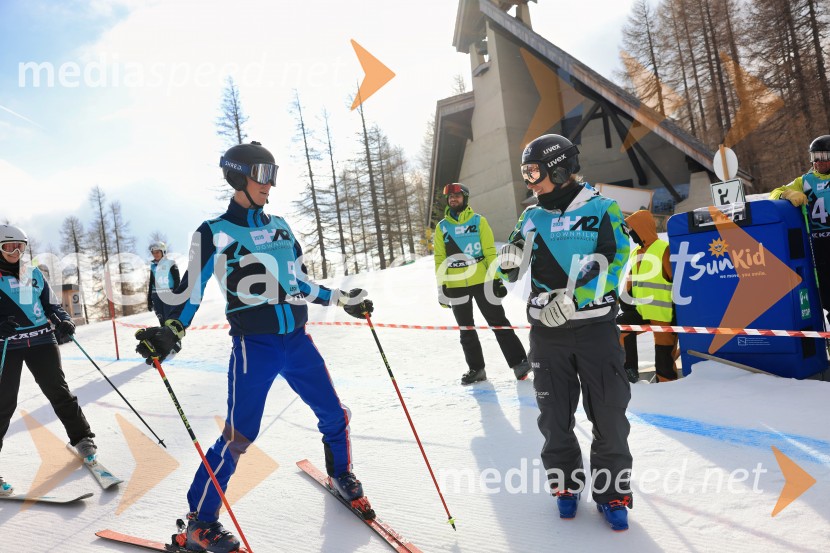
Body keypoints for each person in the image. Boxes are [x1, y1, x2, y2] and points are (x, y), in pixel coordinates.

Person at [134, 141, 375, 553]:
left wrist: (340, 299)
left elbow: (298, 282)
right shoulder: (213, 233)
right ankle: (200, 522)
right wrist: (172, 329)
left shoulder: (280, 225)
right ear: (236, 176)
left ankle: (342, 474)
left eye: (273, 173)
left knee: (334, 413)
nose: (270, 184)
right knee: (238, 435)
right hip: (254, 347)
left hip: (297, 341)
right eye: (262, 174)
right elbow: (189, 291)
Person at [497, 134, 633, 531]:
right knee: (554, 416)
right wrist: (508, 262)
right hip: (547, 331)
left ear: (559, 167)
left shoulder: (603, 208)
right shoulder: (530, 216)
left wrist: (578, 297)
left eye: (534, 172)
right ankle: (566, 485)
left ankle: (613, 493)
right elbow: (514, 265)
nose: (530, 182)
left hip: (595, 328)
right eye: (526, 174)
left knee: (608, 414)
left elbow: (617, 257)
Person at [0, 224, 97, 496]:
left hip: (42, 339)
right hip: (8, 344)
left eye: (20, 246)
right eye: (8, 246)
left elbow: (52, 305)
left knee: (59, 391)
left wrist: (63, 320)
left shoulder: (33, 273)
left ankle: (83, 440)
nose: (15, 251)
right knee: (3, 403)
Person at [433, 183, 529, 385]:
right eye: (450, 197)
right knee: (466, 328)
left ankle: (519, 362)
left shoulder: (478, 222)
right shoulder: (442, 227)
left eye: (457, 196)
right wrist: (442, 288)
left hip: (483, 281)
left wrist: (497, 279)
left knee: (499, 322)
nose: (453, 200)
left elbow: (489, 252)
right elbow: (440, 259)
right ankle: (476, 369)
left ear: (465, 198)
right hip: (456, 284)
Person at [769, 135, 830, 327]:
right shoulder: (805, 181)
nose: (818, 161)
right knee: (826, 296)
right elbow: (774, 193)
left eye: (823, 156)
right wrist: (787, 193)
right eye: (815, 156)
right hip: (819, 245)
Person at [616, 210, 678, 383]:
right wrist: (625, 298)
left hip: (664, 314)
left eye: (632, 229)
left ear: (642, 229)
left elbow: (676, 280)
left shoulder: (663, 249)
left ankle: (667, 385)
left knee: (664, 356)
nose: (630, 233)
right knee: (620, 328)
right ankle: (629, 371)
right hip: (642, 311)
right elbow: (631, 279)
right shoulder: (636, 252)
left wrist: (677, 310)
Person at [147, 241, 181, 325]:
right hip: (156, 295)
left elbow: (177, 280)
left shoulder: (171, 263)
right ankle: (164, 337)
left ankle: (174, 338)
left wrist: (175, 295)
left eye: (157, 252)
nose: (155, 254)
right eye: (153, 253)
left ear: (163, 252)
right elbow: (151, 282)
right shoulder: (153, 266)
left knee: (170, 319)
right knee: (162, 321)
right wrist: (149, 299)